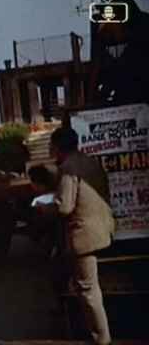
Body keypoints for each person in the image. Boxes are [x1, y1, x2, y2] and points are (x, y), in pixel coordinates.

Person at [36, 127, 114, 345]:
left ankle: (102, 338)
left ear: (59, 147)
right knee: (89, 285)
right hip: (103, 228)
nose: (50, 149)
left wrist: (43, 209)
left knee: (88, 289)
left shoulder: (69, 168)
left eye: (52, 146)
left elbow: (64, 207)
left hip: (84, 234)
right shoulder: (90, 162)